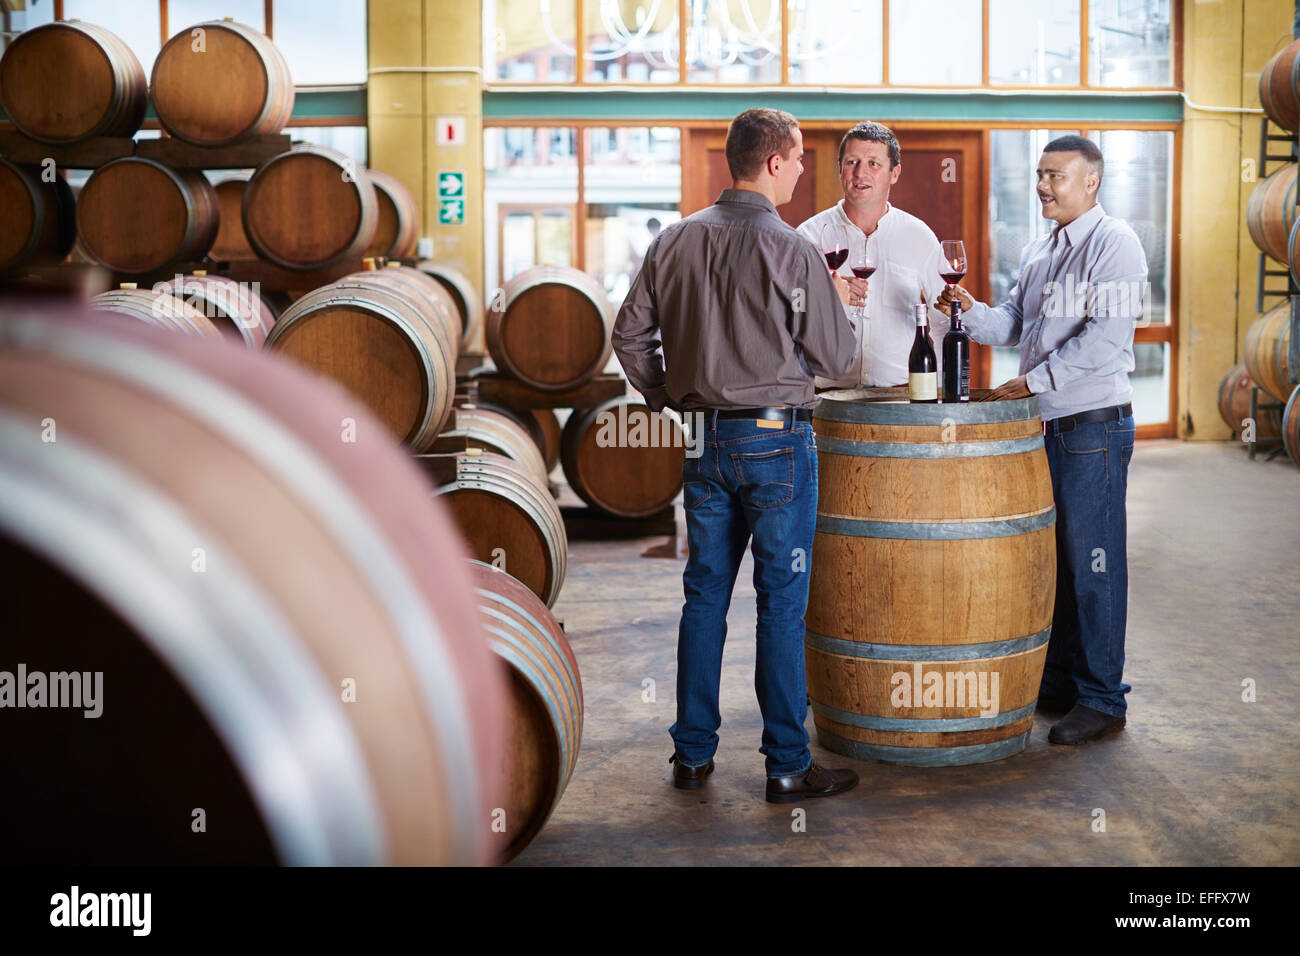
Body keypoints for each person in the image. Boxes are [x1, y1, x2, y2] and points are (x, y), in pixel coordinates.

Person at [612, 108, 860, 803]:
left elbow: (629, 337)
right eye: (802, 158)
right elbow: (837, 359)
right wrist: (833, 305)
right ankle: (786, 763)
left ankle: (692, 755)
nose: (806, 169)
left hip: (702, 439)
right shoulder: (793, 250)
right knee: (781, 602)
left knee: (704, 595)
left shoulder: (676, 240)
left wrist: (668, 396)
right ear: (774, 162)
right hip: (777, 441)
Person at [936, 134, 1146, 746]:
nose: (1043, 186)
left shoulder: (1116, 245)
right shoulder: (1040, 248)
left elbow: (1106, 341)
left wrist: (1031, 381)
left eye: (1056, 175)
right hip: (1045, 427)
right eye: (1039, 174)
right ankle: (1058, 682)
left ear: (1091, 182)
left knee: (1095, 564)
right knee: (1053, 560)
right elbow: (1012, 323)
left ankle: (1104, 698)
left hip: (1093, 426)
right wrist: (968, 310)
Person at [797, 121, 950, 389]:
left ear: (894, 173)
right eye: (852, 162)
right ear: (840, 169)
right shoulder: (808, 236)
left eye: (873, 164)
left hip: (901, 398)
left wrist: (940, 396)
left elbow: (943, 323)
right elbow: (788, 319)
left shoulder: (919, 236)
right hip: (825, 399)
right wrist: (825, 297)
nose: (860, 173)